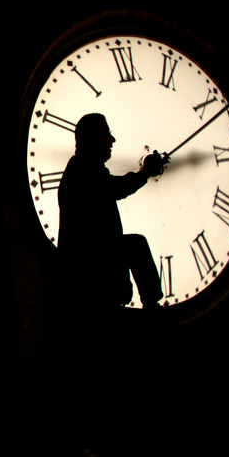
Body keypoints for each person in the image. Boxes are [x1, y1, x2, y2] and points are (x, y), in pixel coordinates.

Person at [57, 113, 165, 310]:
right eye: (107, 134)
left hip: (86, 274)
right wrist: (145, 173)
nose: (112, 140)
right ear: (92, 138)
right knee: (136, 245)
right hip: (90, 271)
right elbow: (116, 188)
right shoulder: (83, 168)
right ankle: (152, 305)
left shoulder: (81, 168)